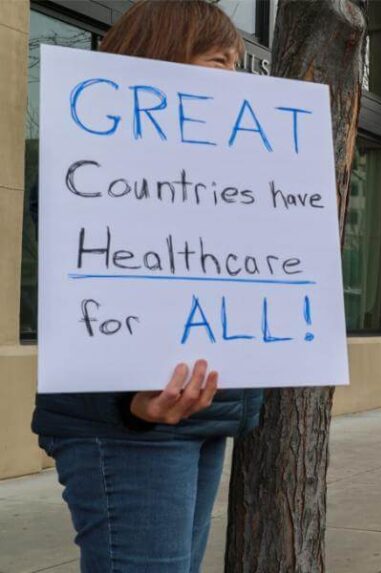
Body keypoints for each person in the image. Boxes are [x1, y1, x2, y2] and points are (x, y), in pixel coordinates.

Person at [31, 3, 263, 571]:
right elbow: (91, 302)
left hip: (202, 411)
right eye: (218, 60)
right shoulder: (94, 168)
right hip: (130, 425)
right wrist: (129, 403)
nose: (233, 78)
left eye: (237, 64)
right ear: (156, 61)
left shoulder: (219, 172)